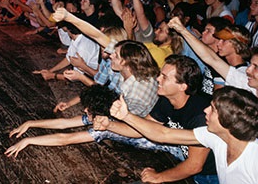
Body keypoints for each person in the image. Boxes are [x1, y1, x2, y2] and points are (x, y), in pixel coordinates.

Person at [93, 55, 218, 183]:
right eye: (160, 75)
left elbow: (194, 166)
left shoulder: (201, 115)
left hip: (209, 177)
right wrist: (109, 125)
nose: (158, 79)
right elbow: (142, 129)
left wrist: (158, 177)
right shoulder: (167, 100)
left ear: (182, 86)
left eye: (164, 77)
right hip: (184, 161)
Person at [109, 86, 258, 184]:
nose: (205, 110)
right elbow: (163, 134)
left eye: (212, 109)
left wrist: (159, 177)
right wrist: (126, 116)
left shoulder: (254, 159)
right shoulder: (214, 136)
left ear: (227, 121)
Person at [4, 85, 118, 158]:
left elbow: (65, 139)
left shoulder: (105, 125)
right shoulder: (99, 114)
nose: (85, 110)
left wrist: (28, 140)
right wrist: (30, 123)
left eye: (88, 108)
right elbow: (64, 123)